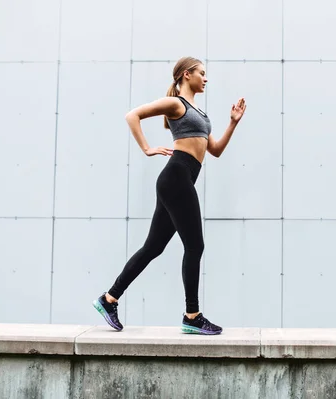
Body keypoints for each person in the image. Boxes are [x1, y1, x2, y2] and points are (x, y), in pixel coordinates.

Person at [93, 56, 246, 335]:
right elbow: (132, 115)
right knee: (195, 246)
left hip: (179, 179)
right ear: (187, 75)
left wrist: (233, 123)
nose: (206, 78)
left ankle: (109, 298)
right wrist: (147, 148)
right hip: (176, 176)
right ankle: (192, 315)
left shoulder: (201, 114)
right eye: (202, 73)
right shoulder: (177, 104)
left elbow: (216, 150)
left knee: (153, 247)